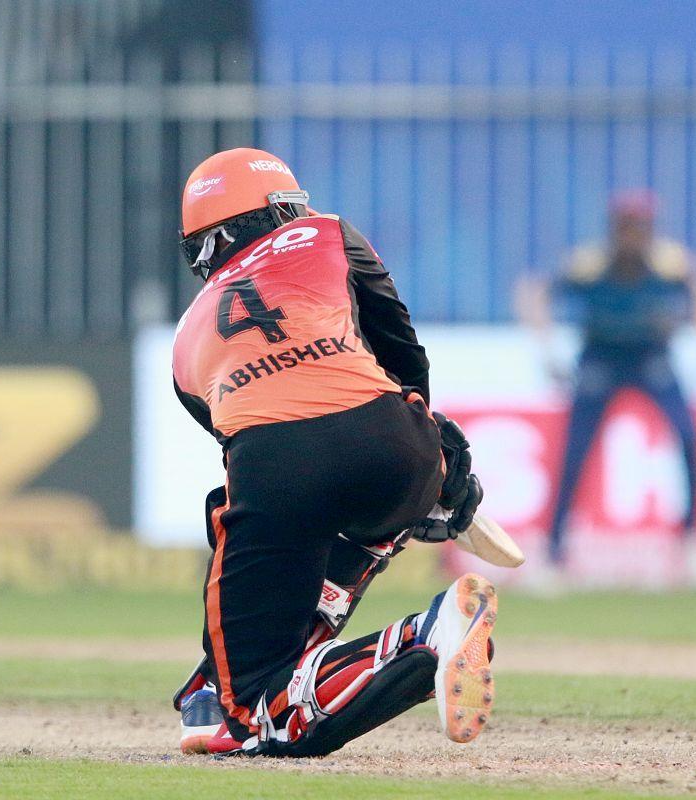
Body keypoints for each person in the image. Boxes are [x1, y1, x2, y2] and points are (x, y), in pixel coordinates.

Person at [170, 147, 497, 757]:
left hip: (282, 464)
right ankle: (215, 691)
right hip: (398, 445)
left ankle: (416, 639)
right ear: (280, 210)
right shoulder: (328, 233)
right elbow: (401, 352)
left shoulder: (185, 343)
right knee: (360, 503)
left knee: (260, 716)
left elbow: (262, 459)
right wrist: (436, 459)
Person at [516, 190, 696, 571]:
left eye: (639, 227)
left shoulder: (668, 262)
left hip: (652, 357)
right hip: (601, 358)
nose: (632, 235)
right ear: (614, 229)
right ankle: (555, 548)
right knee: (575, 451)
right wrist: (545, 350)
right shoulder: (590, 263)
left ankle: (692, 541)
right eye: (625, 227)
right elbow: (535, 289)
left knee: (689, 438)